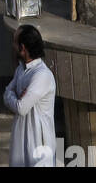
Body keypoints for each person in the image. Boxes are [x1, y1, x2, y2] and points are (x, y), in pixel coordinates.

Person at [4, 24, 57, 168]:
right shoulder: (21, 69)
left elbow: (21, 108)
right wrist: (14, 97)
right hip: (20, 138)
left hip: (39, 142)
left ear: (23, 48)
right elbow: (7, 92)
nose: (12, 46)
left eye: (15, 42)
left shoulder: (41, 75)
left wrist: (13, 98)